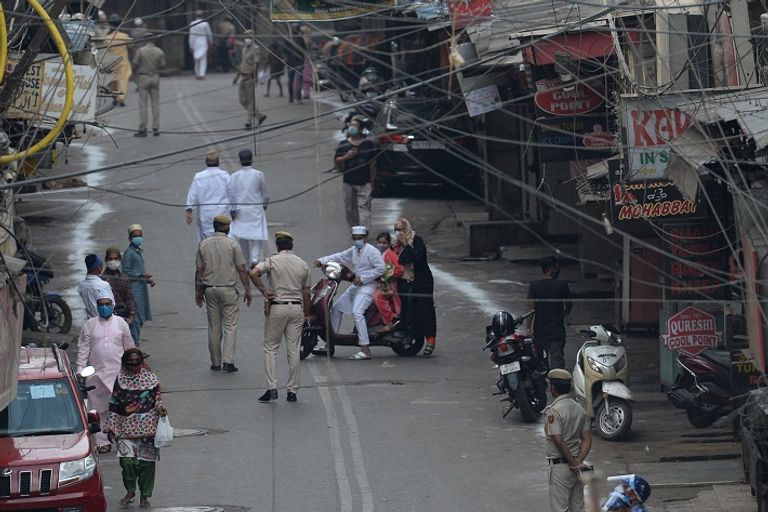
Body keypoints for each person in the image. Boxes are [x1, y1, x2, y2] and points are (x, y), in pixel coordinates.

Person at [250, 231, 311, 402]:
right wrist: (307, 314)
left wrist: (265, 291)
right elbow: (306, 293)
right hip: (296, 308)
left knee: (270, 348)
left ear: (278, 246)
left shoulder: (272, 261)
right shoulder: (302, 264)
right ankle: (292, 391)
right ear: (292, 246)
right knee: (293, 349)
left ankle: (272, 388)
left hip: (277, 307)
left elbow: (254, 273)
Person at [103, 348, 167, 509]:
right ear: (124, 363)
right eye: (129, 362)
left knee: (147, 465)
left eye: (136, 361)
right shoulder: (120, 380)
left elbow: (158, 398)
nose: (133, 365)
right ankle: (130, 490)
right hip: (125, 429)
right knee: (127, 463)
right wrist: (111, 427)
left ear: (142, 362)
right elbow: (114, 403)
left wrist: (160, 408)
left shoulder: (150, 379)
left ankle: (144, 496)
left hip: (148, 429)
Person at [75, 290, 135, 453]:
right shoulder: (90, 325)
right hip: (96, 374)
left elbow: (129, 347)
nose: (104, 307)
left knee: (121, 407)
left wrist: (135, 368)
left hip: (118, 374)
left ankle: (122, 437)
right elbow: (83, 349)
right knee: (98, 409)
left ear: (112, 305)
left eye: (107, 304)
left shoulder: (121, 323)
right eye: (101, 305)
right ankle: (102, 442)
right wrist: (80, 370)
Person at [314, 226, 385, 360]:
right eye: (355, 238)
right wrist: (321, 260)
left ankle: (365, 349)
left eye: (360, 238)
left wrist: (364, 278)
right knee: (336, 308)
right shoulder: (354, 250)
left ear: (365, 238)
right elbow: (339, 257)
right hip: (356, 286)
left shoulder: (372, 251)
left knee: (357, 312)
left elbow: (381, 269)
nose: (358, 240)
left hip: (368, 286)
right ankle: (330, 344)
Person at [195, 214, 253, 372]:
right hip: (228, 290)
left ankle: (215, 362)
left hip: (210, 289)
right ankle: (228, 361)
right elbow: (241, 269)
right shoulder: (233, 245)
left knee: (214, 327)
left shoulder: (203, 244)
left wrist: (198, 292)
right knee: (230, 326)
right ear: (227, 227)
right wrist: (247, 290)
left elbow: (199, 270)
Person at [543, 368, 592, 512]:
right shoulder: (580, 409)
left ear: (552, 388)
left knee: (560, 509)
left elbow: (558, 441)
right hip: (576, 468)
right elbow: (586, 439)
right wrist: (578, 462)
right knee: (578, 508)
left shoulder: (554, 410)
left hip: (560, 468)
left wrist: (573, 462)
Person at [392, 218, 438, 355]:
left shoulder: (416, 241)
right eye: (396, 230)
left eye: (401, 229)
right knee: (407, 310)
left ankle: (430, 341)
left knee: (425, 310)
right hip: (404, 281)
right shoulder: (395, 245)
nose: (398, 233)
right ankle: (410, 337)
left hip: (421, 281)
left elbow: (415, 257)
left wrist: (406, 246)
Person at [526, 255, 572, 370]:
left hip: (540, 330)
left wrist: (528, 327)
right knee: (557, 360)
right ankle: (556, 384)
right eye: (556, 267)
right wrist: (563, 314)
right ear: (551, 268)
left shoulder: (534, 286)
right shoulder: (562, 285)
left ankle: (542, 384)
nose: (558, 269)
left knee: (541, 360)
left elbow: (531, 308)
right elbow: (569, 305)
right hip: (557, 330)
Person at [228, 149, 270, 267]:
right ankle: (255, 259)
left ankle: (246, 261)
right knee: (257, 236)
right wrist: (264, 205)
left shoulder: (234, 176)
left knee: (243, 237)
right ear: (252, 159)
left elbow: (232, 195)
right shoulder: (258, 174)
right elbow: (266, 194)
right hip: (255, 208)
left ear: (240, 160)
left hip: (240, 210)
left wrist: (233, 210)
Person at [334, 116, 376, 229]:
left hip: (364, 182)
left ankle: (363, 232)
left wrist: (372, 180)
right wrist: (346, 156)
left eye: (355, 126)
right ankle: (354, 229)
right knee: (350, 209)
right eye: (350, 126)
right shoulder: (344, 144)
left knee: (364, 207)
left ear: (361, 129)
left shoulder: (368, 144)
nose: (352, 128)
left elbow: (372, 163)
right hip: (349, 181)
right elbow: (337, 162)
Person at [186, 150, 231, 241]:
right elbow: (232, 194)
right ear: (218, 162)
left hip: (205, 215)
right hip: (222, 213)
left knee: (207, 243)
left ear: (206, 162)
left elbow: (192, 195)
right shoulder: (225, 176)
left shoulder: (199, 176)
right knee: (223, 241)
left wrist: (189, 212)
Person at [123, 224, 155, 344]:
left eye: (140, 236)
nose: (138, 238)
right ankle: (133, 347)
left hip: (141, 290)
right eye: (135, 236)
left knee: (140, 319)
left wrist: (147, 280)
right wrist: (141, 276)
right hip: (134, 291)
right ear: (130, 238)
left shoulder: (137, 252)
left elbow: (137, 272)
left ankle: (134, 345)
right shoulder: (129, 253)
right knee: (135, 319)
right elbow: (126, 273)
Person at [133, 36, 166, 137]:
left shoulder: (141, 51)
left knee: (143, 103)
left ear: (145, 40)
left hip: (144, 77)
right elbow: (163, 65)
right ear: (154, 40)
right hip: (155, 76)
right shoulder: (159, 51)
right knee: (155, 103)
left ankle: (143, 128)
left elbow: (135, 63)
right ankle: (156, 127)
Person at [232, 30, 267, 129]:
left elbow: (256, 64)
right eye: (245, 35)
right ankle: (259, 116)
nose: (246, 38)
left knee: (251, 101)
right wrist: (236, 77)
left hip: (250, 77)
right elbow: (242, 63)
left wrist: (255, 77)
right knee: (242, 100)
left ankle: (249, 122)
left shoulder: (255, 49)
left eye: (248, 36)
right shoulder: (244, 48)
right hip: (243, 77)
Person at [373, 232, 403, 333]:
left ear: (389, 243)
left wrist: (387, 275)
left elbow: (398, 269)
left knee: (378, 297)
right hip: (382, 283)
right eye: (380, 242)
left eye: (384, 243)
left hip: (390, 285)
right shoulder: (379, 254)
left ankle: (389, 322)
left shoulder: (390, 254)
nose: (381, 245)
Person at [102, 247, 137, 323]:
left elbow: (129, 298)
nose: (113, 261)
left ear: (119, 260)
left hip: (122, 314)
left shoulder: (124, 278)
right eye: (110, 259)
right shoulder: (102, 280)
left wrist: (131, 313)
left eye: (116, 258)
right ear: (106, 260)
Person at [78, 253, 114, 319]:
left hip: (90, 320)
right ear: (99, 268)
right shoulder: (103, 285)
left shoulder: (81, 285)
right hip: (103, 321)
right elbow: (111, 305)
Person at [188, 10, 212, 79]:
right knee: (203, 59)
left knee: (196, 59)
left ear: (195, 16)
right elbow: (209, 34)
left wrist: (191, 45)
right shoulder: (205, 24)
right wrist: (210, 41)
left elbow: (191, 36)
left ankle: (197, 74)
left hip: (195, 43)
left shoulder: (192, 23)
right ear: (203, 15)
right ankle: (202, 74)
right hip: (203, 42)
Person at [285, 26, 306, 103]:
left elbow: (284, 50)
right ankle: (296, 98)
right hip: (294, 62)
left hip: (294, 62)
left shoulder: (290, 40)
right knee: (297, 80)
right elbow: (304, 50)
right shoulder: (297, 40)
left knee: (293, 80)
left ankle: (293, 97)